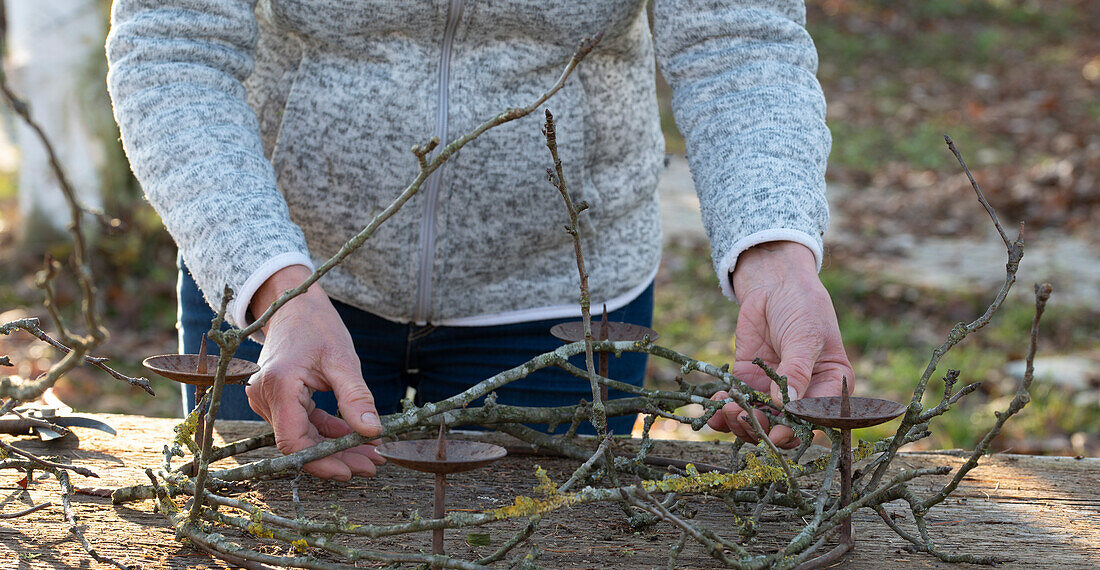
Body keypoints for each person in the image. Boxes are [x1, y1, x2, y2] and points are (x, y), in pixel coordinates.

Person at [106, 1, 853, 480]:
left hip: (560, 298)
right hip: (277, 286)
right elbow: (173, 44)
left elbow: (740, 39)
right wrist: (272, 282)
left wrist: (776, 250)